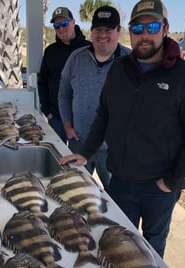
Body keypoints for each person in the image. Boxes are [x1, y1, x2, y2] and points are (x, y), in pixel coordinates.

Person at [59, 0, 185, 258]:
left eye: (152, 26)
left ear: (165, 29)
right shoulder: (120, 69)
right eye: (138, 29)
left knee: (152, 247)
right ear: (130, 31)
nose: (144, 35)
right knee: (116, 241)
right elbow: (104, 113)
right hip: (121, 181)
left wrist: (173, 182)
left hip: (159, 186)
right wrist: (87, 152)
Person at [58, 6, 131, 192]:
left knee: (116, 201)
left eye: (109, 30)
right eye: (98, 29)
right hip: (79, 142)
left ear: (119, 31)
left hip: (114, 151)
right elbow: (64, 93)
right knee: (77, 194)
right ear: (91, 32)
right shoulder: (76, 58)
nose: (103, 35)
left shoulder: (131, 62)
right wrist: (67, 125)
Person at [38, 7, 90, 143]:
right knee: (57, 159)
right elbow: (42, 81)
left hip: (81, 119)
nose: (61, 28)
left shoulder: (89, 49)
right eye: (56, 26)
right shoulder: (50, 51)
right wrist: (46, 110)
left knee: (78, 161)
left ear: (73, 22)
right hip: (56, 117)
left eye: (64, 23)